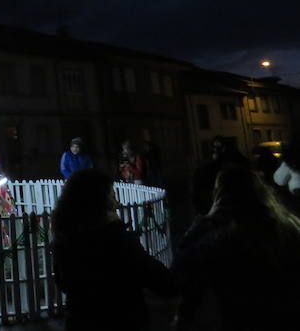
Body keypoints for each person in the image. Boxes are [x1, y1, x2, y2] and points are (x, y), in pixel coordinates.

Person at [173, 164, 300, 331]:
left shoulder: (221, 236)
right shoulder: (289, 225)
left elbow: (182, 266)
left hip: (240, 319)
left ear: (220, 195)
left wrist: (202, 222)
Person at [51, 169, 176, 331]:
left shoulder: (64, 241)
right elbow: (162, 281)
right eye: (112, 197)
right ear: (99, 203)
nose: (117, 204)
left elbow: (63, 284)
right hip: (121, 321)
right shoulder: (118, 241)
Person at [190, 136, 248, 215]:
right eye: (214, 147)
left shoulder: (236, 167)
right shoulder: (206, 169)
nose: (215, 150)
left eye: (219, 147)